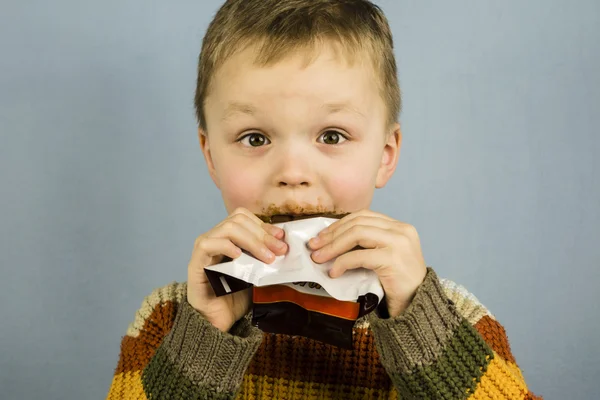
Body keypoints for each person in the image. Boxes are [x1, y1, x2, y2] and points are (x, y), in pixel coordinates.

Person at [106, 0, 541, 398]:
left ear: (384, 156)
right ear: (211, 157)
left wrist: (417, 317)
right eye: (254, 137)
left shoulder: (455, 320)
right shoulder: (166, 321)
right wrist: (202, 339)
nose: (293, 174)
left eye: (332, 136)